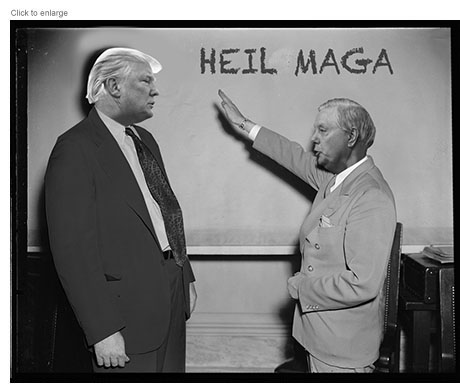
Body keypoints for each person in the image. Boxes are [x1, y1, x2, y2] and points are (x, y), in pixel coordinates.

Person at [218, 90, 396, 373]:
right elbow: (292, 155)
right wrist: (244, 124)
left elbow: (362, 283)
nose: (314, 137)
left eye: (323, 130)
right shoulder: (337, 180)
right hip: (320, 338)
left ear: (351, 137)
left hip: (342, 350)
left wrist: (301, 287)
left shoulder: (371, 195)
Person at [45, 47, 197, 373]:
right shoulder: (74, 148)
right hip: (124, 317)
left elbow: (165, 211)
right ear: (114, 87)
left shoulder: (146, 140)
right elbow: (73, 252)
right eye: (145, 82)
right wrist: (102, 330)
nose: (155, 90)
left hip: (170, 295)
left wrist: (185, 274)